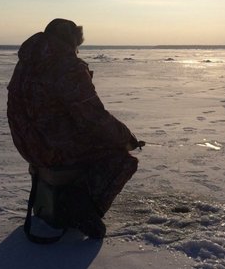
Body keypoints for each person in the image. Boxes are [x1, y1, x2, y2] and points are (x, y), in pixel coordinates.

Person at [7, 18, 141, 239]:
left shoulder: (27, 61)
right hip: (52, 147)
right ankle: (81, 210)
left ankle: (68, 198)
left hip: (26, 143)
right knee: (122, 158)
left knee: (97, 143)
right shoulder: (66, 66)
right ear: (72, 41)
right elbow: (93, 116)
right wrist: (126, 138)